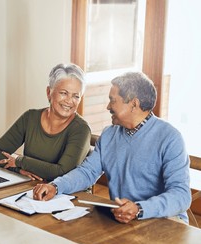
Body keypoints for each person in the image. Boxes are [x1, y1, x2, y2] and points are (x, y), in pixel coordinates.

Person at [33, 72, 192, 224]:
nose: (108, 106)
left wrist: (139, 209)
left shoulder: (170, 138)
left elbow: (181, 195)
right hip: (123, 219)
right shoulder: (109, 134)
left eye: (112, 100)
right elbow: (87, 172)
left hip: (165, 222)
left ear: (133, 104)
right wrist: (56, 186)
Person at [0, 63, 91, 182]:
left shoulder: (81, 129)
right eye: (63, 93)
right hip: (31, 187)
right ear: (49, 92)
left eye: (76, 96)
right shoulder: (30, 117)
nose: (69, 101)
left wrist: (19, 161)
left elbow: (62, 172)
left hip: (66, 195)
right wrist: (19, 170)